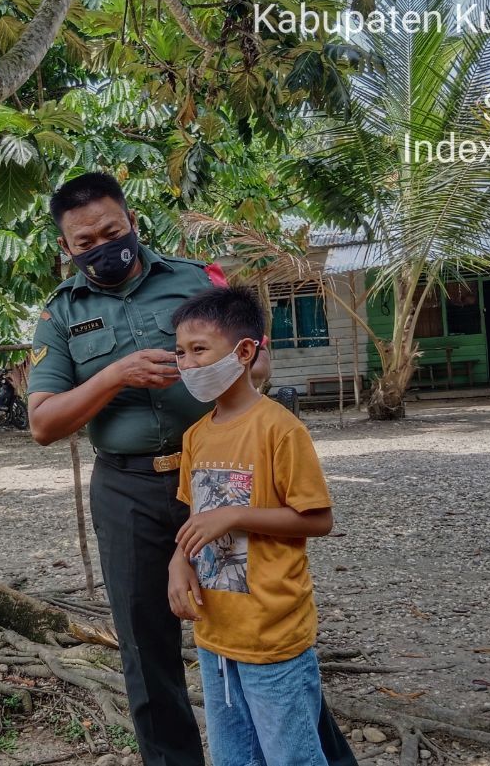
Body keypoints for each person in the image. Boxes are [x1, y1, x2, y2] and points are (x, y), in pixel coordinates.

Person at [28, 173, 358, 766]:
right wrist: (114, 375)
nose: (102, 245)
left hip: (219, 475)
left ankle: (317, 754)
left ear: (132, 222)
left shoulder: (194, 280)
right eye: (85, 241)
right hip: (127, 488)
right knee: (146, 646)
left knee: (255, 622)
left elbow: (256, 367)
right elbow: (44, 425)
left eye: (111, 230)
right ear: (67, 248)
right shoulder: (59, 316)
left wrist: (222, 373)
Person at [168, 286, 334, 766]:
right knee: (233, 756)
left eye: (200, 349)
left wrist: (236, 513)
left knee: (291, 756)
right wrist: (179, 563)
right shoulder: (195, 436)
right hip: (215, 634)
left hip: (273, 635)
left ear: (243, 352)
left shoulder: (279, 429)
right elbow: (193, 517)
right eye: (180, 352)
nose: (188, 363)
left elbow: (317, 518)